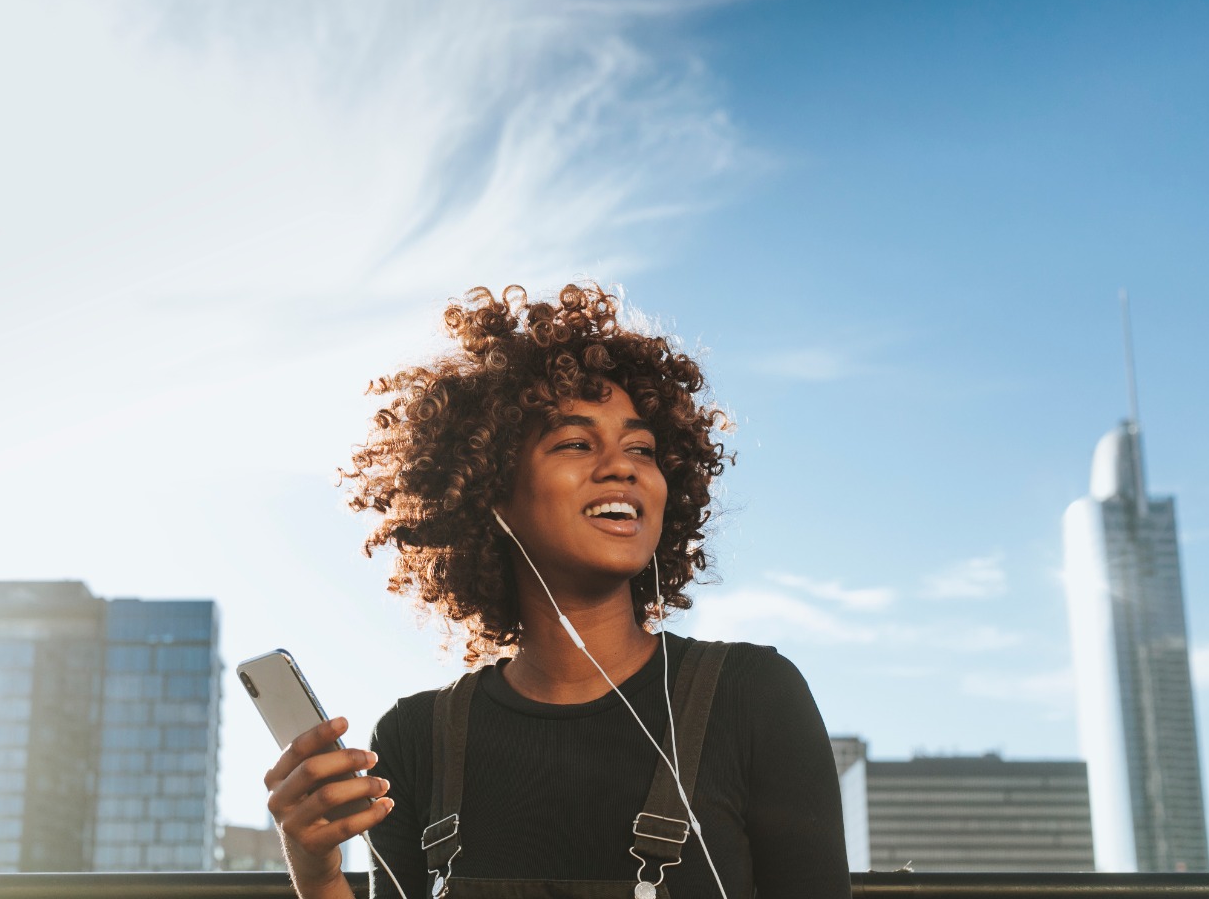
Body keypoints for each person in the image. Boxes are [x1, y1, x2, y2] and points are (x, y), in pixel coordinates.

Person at [265, 284, 850, 899]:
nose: (621, 466)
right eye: (575, 443)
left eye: (641, 448)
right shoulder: (415, 738)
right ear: (487, 487)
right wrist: (317, 871)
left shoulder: (753, 697)